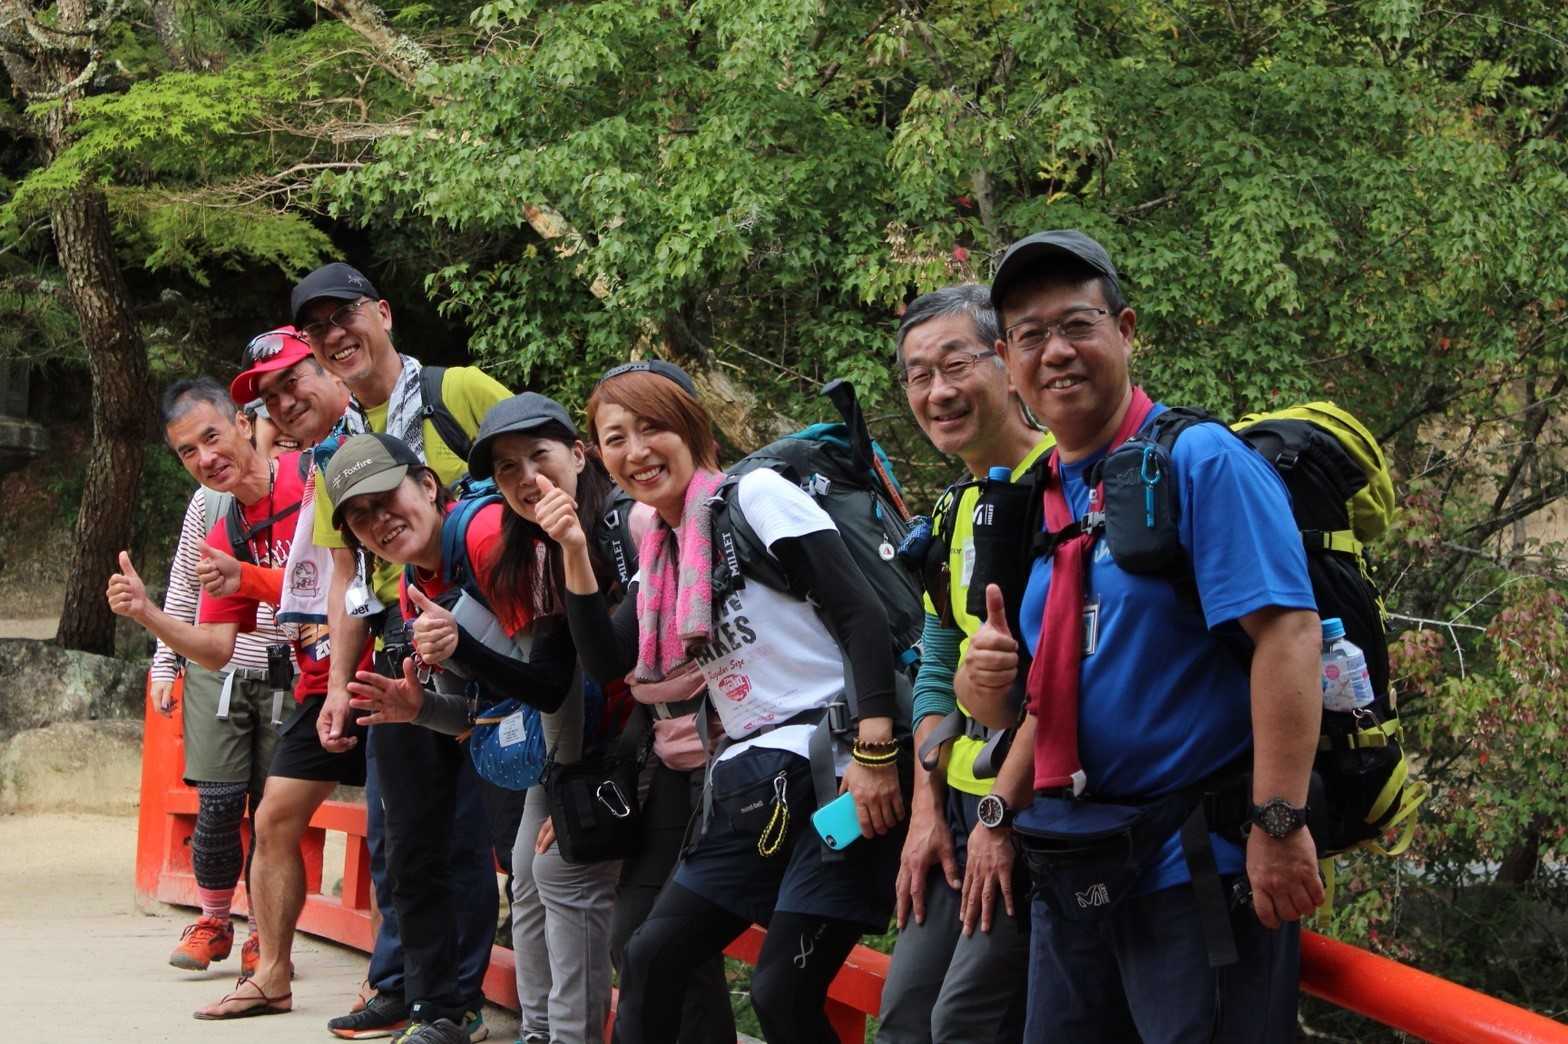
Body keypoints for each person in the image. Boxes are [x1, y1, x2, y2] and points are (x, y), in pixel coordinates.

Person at [956, 230, 1325, 1042]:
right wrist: (994, 791)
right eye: (1030, 336)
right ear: (1008, 362)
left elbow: (1290, 637)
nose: (1056, 352)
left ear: (1125, 331)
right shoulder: (1039, 496)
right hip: (1076, 865)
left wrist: (1278, 822)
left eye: (1077, 325)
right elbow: (1044, 698)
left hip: (1196, 872)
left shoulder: (1200, 461)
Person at [542, 360, 909, 1044]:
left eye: (652, 427)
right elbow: (607, 661)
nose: (636, 451)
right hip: (753, 780)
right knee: (651, 957)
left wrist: (876, 749)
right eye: (616, 438)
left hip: (837, 765)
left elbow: (859, 615)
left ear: (691, 427)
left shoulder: (756, 497)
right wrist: (573, 550)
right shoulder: (664, 549)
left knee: (782, 993)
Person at [335, 393, 634, 1044]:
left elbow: (558, 681)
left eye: (387, 499)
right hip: (557, 747)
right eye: (360, 517)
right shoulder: (421, 588)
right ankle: (540, 1033)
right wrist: (420, 709)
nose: (380, 521)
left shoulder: (489, 538)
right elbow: (488, 716)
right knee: (527, 877)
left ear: (428, 485)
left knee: (555, 874)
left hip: (602, 739)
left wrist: (569, 783)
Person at [107, 371, 372, 1021]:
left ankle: (394, 980)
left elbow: (344, 577)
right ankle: (263, 964)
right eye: (187, 452)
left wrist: (247, 578)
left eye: (211, 437)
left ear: (243, 423)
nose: (204, 458)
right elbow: (216, 642)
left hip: (372, 666)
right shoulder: (221, 520)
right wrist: (148, 618)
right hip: (310, 682)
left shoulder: (313, 476)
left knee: (393, 828)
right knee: (261, 812)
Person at [295, 261, 511, 1041]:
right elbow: (348, 576)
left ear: (382, 313)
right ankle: (415, 990)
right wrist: (338, 684)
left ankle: (454, 1002)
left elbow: (545, 466)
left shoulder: (461, 393)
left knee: (464, 833)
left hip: (488, 626)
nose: (334, 336)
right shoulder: (334, 451)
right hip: (397, 641)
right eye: (317, 330)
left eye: (343, 316)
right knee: (398, 836)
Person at [877, 285, 1044, 1043]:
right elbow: (937, 658)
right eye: (919, 375)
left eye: (956, 364)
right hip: (957, 803)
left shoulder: (1063, 485)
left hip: (1030, 811)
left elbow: (1075, 678)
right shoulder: (953, 508)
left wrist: (1000, 816)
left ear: (1006, 362)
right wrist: (925, 809)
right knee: (905, 1016)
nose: (937, 392)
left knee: (964, 1025)